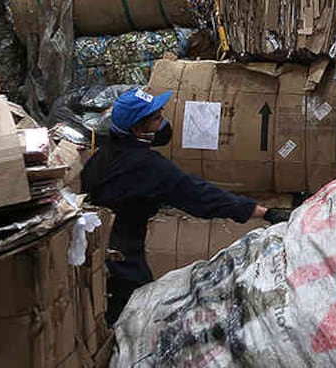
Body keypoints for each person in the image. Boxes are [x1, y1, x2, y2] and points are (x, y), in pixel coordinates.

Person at [81, 88, 291, 325]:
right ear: (138, 130)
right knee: (131, 321)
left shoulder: (101, 157)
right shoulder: (148, 167)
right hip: (124, 261)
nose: (164, 124)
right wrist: (263, 212)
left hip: (97, 256)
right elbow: (200, 196)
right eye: (157, 119)